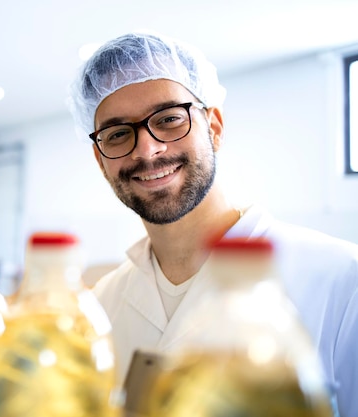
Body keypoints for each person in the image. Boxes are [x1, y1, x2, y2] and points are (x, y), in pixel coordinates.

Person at [68, 32, 358, 417]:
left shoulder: (341, 278)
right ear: (101, 160)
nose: (147, 149)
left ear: (214, 127)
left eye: (169, 119)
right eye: (118, 133)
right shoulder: (101, 305)